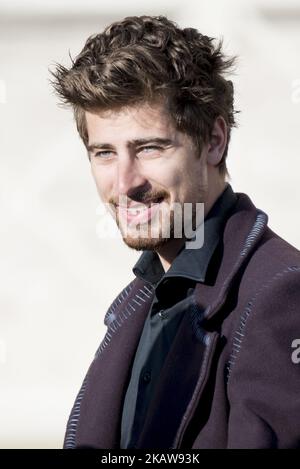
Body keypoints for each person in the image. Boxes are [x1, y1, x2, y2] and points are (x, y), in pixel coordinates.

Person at [51, 15, 300, 449]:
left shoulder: (283, 294)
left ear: (214, 141)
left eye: (149, 147)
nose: (125, 182)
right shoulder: (142, 300)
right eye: (104, 153)